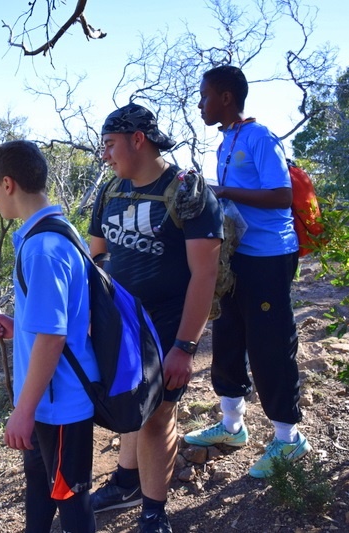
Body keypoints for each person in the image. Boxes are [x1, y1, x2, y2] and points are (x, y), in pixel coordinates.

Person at [87, 103, 223, 532]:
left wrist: (185, 347)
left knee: (158, 415)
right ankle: (127, 481)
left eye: (110, 145)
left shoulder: (187, 193)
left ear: (137, 140)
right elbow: (97, 256)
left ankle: (153, 512)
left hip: (167, 323)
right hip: (122, 325)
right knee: (129, 404)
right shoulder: (111, 192)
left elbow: (205, 273)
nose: (105, 155)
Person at [184, 65, 311, 477]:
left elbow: (281, 195)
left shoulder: (259, 137)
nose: (200, 104)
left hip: (270, 257)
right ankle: (231, 426)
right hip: (237, 257)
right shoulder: (226, 142)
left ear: (225, 97)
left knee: (270, 343)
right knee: (229, 334)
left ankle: (289, 439)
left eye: (204, 96)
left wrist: (223, 191)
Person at [0, 140, 98, 533]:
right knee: (39, 489)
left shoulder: (43, 249)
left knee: (71, 501)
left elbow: (53, 339)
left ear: (9, 184)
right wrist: (19, 328)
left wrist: (23, 411)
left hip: (60, 402)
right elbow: (58, 321)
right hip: (48, 400)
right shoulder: (54, 234)